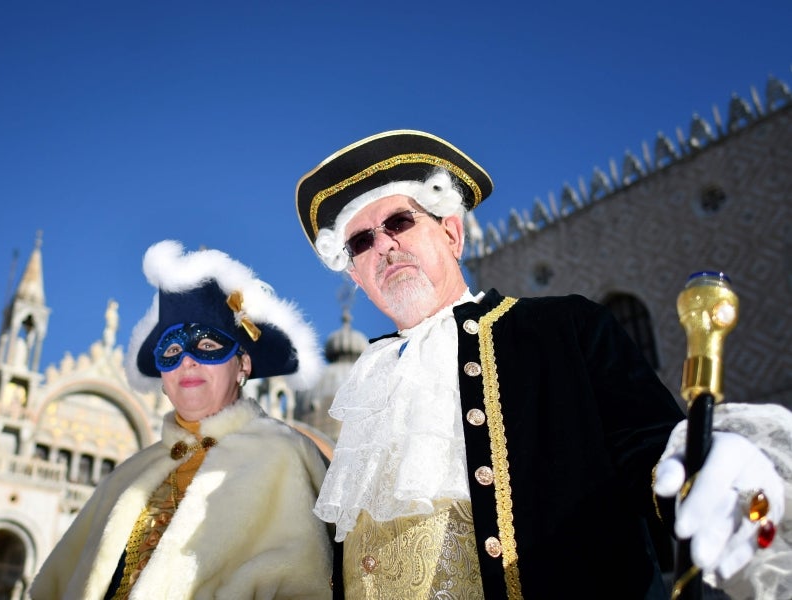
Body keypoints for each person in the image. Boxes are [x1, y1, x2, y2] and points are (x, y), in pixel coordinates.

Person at [295, 129, 791, 599]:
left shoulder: (564, 330)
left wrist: (697, 469)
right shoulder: (364, 388)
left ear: (451, 232)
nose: (383, 245)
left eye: (399, 222)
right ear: (357, 276)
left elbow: (648, 446)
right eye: (360, 242)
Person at [30, 240, 333, 599]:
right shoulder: (128, 476)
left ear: (243, 365)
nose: (187, 360)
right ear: (162, 378)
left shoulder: (286, 455)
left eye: (206, 346)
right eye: (172, 350)